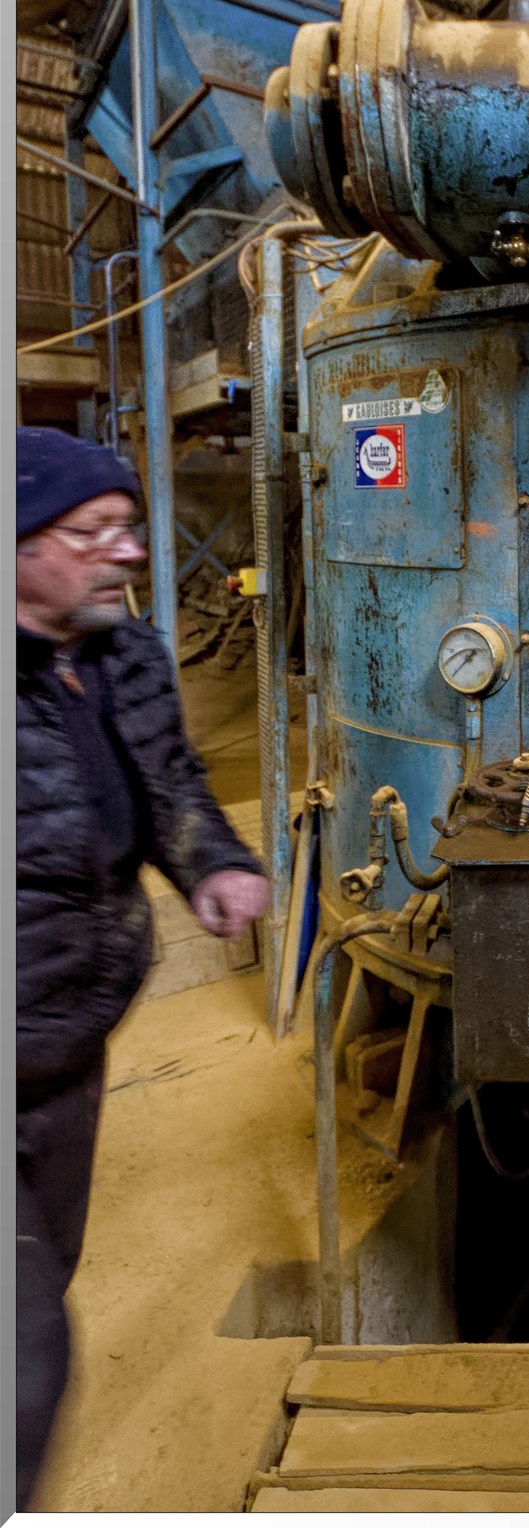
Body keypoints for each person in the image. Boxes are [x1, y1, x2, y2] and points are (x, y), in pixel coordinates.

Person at [16, 429, 271, 1510]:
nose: (126, 553)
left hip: (69, 1044)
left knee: (44, 1275)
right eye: (92, 534)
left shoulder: (127, 657)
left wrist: (213, 861)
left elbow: (173, 786)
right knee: (22, 1348)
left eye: (129, 527)